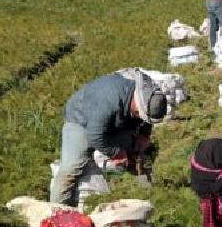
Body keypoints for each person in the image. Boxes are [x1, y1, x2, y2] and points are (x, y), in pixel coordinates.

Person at [49, 71, 168, 206]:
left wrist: (144, 135)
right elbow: (94, 136)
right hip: (81, 121)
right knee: (71, 169)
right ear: (137, 104)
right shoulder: (108, 102)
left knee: (136, 149)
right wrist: (116, 153)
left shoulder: (148, 97)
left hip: (114, 121)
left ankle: (145, 190)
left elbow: (146, 119)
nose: (141, 117)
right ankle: (56, 209)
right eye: (139, 114)